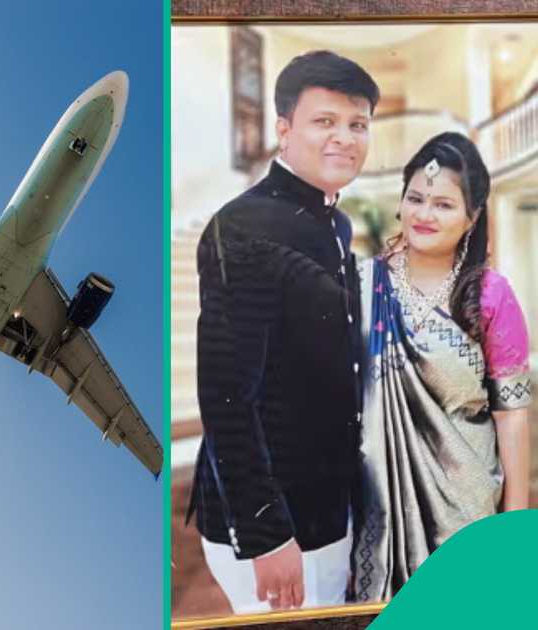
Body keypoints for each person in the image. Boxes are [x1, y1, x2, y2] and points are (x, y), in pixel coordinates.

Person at [188, 50, 379, 613]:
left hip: (327, 507)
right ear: (284, 129)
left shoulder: (335, 223)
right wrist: (267, 532)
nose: (344, 138)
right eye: (325, 122)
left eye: (357, 124)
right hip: (278, 526)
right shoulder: (243, 226)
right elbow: (225, 393)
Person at [353, 132, 531, 602]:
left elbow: (511, 418)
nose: (424, 214)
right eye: (415, 198)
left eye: (443, 205)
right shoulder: (363, 285)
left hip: (468, 511)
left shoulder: (491, 296)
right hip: (381, 508)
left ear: (472, 217)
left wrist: (512, 527)